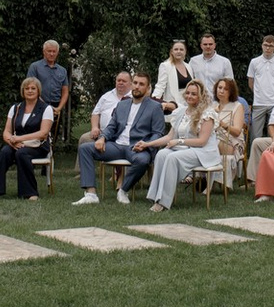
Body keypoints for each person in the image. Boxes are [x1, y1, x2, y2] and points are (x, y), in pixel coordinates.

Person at [72, 73, 167, 204]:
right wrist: (102, 138)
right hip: (117, 146)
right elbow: (111, 127)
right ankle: (91, 194)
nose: (137, 86)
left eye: (141, 84)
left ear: (148, 88)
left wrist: (146, 144)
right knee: (85, 149)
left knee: (143, 160)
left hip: (137, 147)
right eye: (135, 83)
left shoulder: (155, 107)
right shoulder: (122, 105)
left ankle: (123, 190)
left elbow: (158, 133)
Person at [144, 81, 227, 212]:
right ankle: (155, 196)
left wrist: (179, 141)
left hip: (204, 152)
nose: (189, 96)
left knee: (173, 158)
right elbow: (169, 137)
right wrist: (147, 144)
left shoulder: (207, 114)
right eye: (187, 93)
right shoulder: (180, 112)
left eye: (194, 94)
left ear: (201, 96)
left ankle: (163, 202)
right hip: (187, 150)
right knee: (161, 154)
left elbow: (202, 141)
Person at [0, 76, 54, 200]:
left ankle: (30, 193)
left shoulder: (46, 109)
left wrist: (19, 139)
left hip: (38, 146)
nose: (30, 91)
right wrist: (12, 142)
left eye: (33, 88)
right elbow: (6, 132)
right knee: (4, 152)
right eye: (27, 88)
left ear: (38, 91)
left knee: (22, 154)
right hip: (16, 144)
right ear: (22, 91)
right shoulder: (15, 108)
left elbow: (43, 133)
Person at [25, 40, 70, 133]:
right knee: (37, 133)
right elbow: (30, 88)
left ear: (57, 53)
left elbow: (65, 91)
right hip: (37, 105)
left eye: (54, 51)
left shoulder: (62, 70)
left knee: (53, 135)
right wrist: (45, 106)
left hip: (56, 107)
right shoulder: (35, 67)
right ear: (44, 52)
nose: (52, 54)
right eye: (49, 51)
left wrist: (59, 108)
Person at [82, 71, 132, 147]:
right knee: (84, 139)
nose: (120, 83)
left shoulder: (134, 99)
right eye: (119, 80)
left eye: (124, 81)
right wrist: (95, 127)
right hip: (101, 133)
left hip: (123, 136)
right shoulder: (106, 96)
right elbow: (95, 113)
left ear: (131, 83)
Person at [247, 35, 274, 109]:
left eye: (271, 46)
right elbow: (250, 81)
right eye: (265, 45)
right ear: (262, 46)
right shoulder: (254, 62)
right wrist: (258, 93)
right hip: (258, 103)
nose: (267, 48)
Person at [152, 40, 193, 113]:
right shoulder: (165, 66)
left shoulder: (188, 67)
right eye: (176, 49)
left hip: (188, 104)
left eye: (181, 49)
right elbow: (160, 86)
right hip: (173, 105)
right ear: (172, 52)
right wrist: (153, 101)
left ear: (185, 52)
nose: (178, 51)